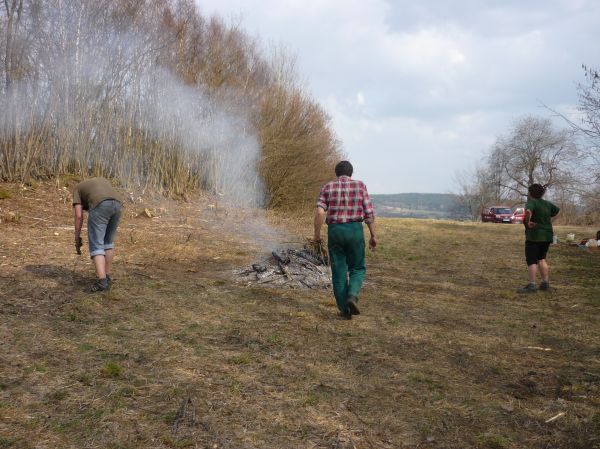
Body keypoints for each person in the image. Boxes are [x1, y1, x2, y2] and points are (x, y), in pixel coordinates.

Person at [314, 161, 377, 319]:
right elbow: (369, 214)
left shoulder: (328, 187)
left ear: (336, 173)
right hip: (354, 230)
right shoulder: (360, 186)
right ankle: (352, 295)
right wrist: (373, 236)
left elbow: (320, 212)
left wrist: (316, 234)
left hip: (335, 231)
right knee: (357, 267)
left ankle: (345, 310)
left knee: (339, 271)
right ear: (351, 173)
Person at [72, 177, 123, 292]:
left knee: (96, 244)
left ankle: (102, 282)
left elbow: (79, 215)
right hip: (118, 205)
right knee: (108, 242)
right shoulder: (101, 181)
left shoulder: (76, 189)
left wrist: (77, 237)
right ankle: (107, 276)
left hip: (100, 204)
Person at [517, 183, 560, 294]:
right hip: (547, 235)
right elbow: (557, 211)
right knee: (541, 259)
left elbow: (528, 212)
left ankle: (532, 285)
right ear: (542, 193)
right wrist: (547, 220)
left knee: (532, 261)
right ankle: (545, 283)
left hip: (534, 236)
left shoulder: (531, 202)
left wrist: (528, 222)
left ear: (530, 193)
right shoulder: (547, 204)